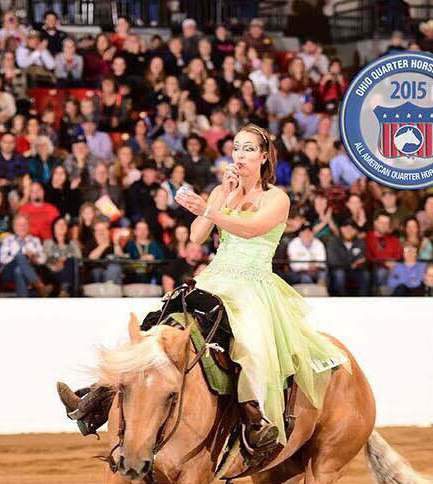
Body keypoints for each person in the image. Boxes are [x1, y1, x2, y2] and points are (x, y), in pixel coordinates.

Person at [67, 125, 351, 454]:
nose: (240, 155)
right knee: (158, 322)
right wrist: (220, 198)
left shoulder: (277, 198)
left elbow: (252, 229)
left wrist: (211, 209)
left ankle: (255, 421)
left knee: (251, 346)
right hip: (214, 277)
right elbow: (197, 236)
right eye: (237, 148)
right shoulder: (221, 191)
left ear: (263, 156)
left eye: (248, 149)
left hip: (253, 284)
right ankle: (98, 397)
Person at [0, 213, 47, 297]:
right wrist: (21, 256)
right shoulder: (7, 240)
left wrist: (34, 258)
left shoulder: (35, 240)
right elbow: (3, 259)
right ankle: (38, 284)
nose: (22, 227)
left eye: (24, 224)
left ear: (28, 226)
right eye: (19, 225)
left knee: (19, 270)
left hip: (29, 271)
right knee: (19, 256)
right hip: (8, 272)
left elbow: (43, 259)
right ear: (14, 227)